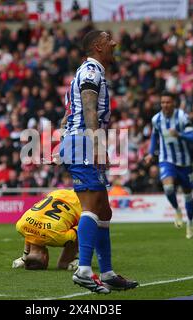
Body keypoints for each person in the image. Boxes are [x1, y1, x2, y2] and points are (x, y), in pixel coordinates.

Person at [59, 30, 138, 294]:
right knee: (91, 207)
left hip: (80, 141)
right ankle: (83, 270)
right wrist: (95, 144)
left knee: (104, 211)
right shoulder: (92, 70)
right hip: (84, 143)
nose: (114, 43)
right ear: (97, 46)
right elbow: (89, 108)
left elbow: (72, 111)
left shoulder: (88, 71)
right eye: (108, 40)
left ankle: (107, 273)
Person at [144, 91, 193, 239]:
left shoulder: (182, 117)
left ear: (174, 103)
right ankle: (177, 210)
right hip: (166, 159)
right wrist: (150, 153)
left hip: (185, 162)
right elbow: (155, 136)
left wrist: (179, 134)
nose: (165, 105)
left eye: (168, 102)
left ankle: (190, 223)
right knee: (168, 187)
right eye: (163, 102)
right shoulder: (156, 119)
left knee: (188, 194)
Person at [12, 189, 80, 270]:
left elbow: (82, 229)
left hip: (78, 202)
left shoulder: (58, 237)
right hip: (57, 193)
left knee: (76, 235)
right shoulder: (20, 226)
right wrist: (24, 258)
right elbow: (30, 233)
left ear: (45, 258)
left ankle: (79, 262)